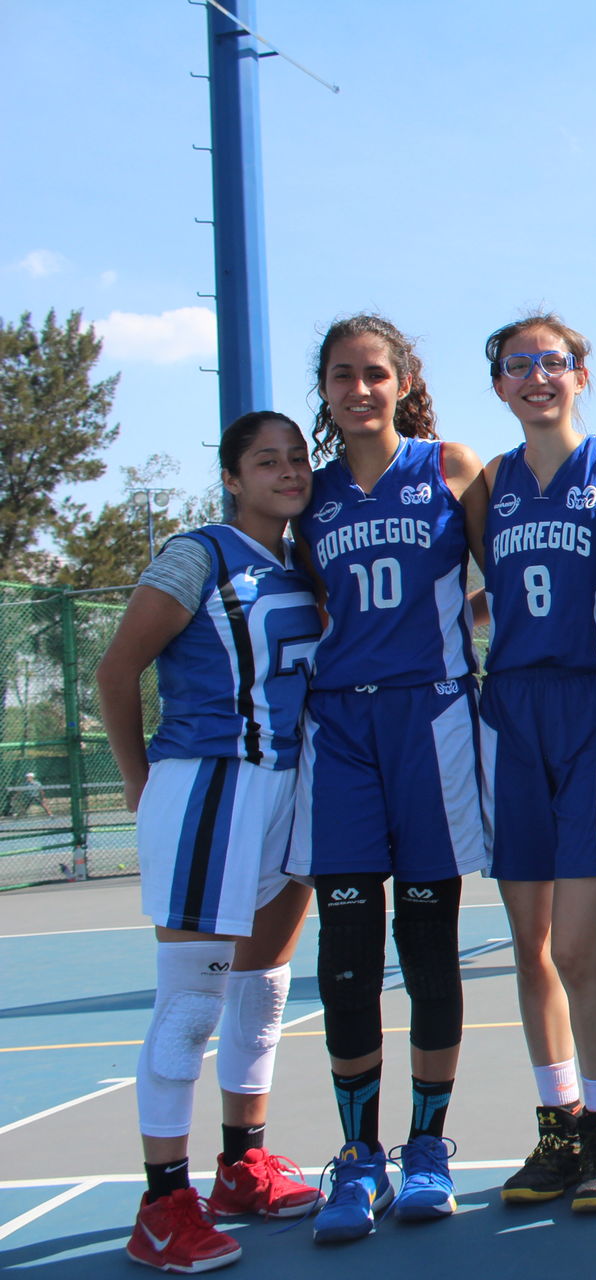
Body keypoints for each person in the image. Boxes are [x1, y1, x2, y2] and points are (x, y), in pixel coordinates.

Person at [98, 410, 324, 1273]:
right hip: (210, 782)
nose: (288, 472)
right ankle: (162, 1205)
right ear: (233, 477)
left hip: (287, 792)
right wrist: (135, 777)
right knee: (191, 1004)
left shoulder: (304, 563)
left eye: (297, 459)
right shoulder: (201, 552)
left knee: (262, 992)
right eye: (267, 461)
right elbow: (119, 668)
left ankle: (241, 1164)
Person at [288, 314, 489, 1243]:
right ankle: (357, 1154)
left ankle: (428, 1146)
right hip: (342, 725)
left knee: (429, 936)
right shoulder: (311, 497)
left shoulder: (449, 466)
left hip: (432, 714)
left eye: (375, 374)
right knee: (347, 951)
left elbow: (515, 569)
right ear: (325, 390)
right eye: (342, 376)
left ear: (404, 380)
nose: (359, 390)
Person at [469, 315, 596, 1212]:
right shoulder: (488, 482)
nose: (537, 376)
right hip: (510, 712)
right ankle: (559, 1123)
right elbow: (476, 583)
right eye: (518, 366)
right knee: (529, 948)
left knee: (579, 944)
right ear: (499, 384)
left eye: (553, 361)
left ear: (582, 373)